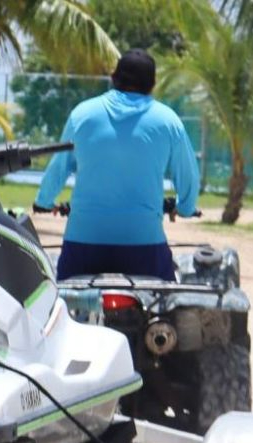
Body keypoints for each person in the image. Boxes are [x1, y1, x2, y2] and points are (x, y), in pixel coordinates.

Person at [34, 48, 201, 281]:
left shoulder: (82, 115)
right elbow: (189, 177)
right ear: (153, 84)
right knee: (166, 305)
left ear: (113, 78)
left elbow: (59, 167)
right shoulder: (169, 121)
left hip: (83, 244)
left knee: (61, 303)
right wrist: (185, 208)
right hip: (144, 247)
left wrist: (44, 202)